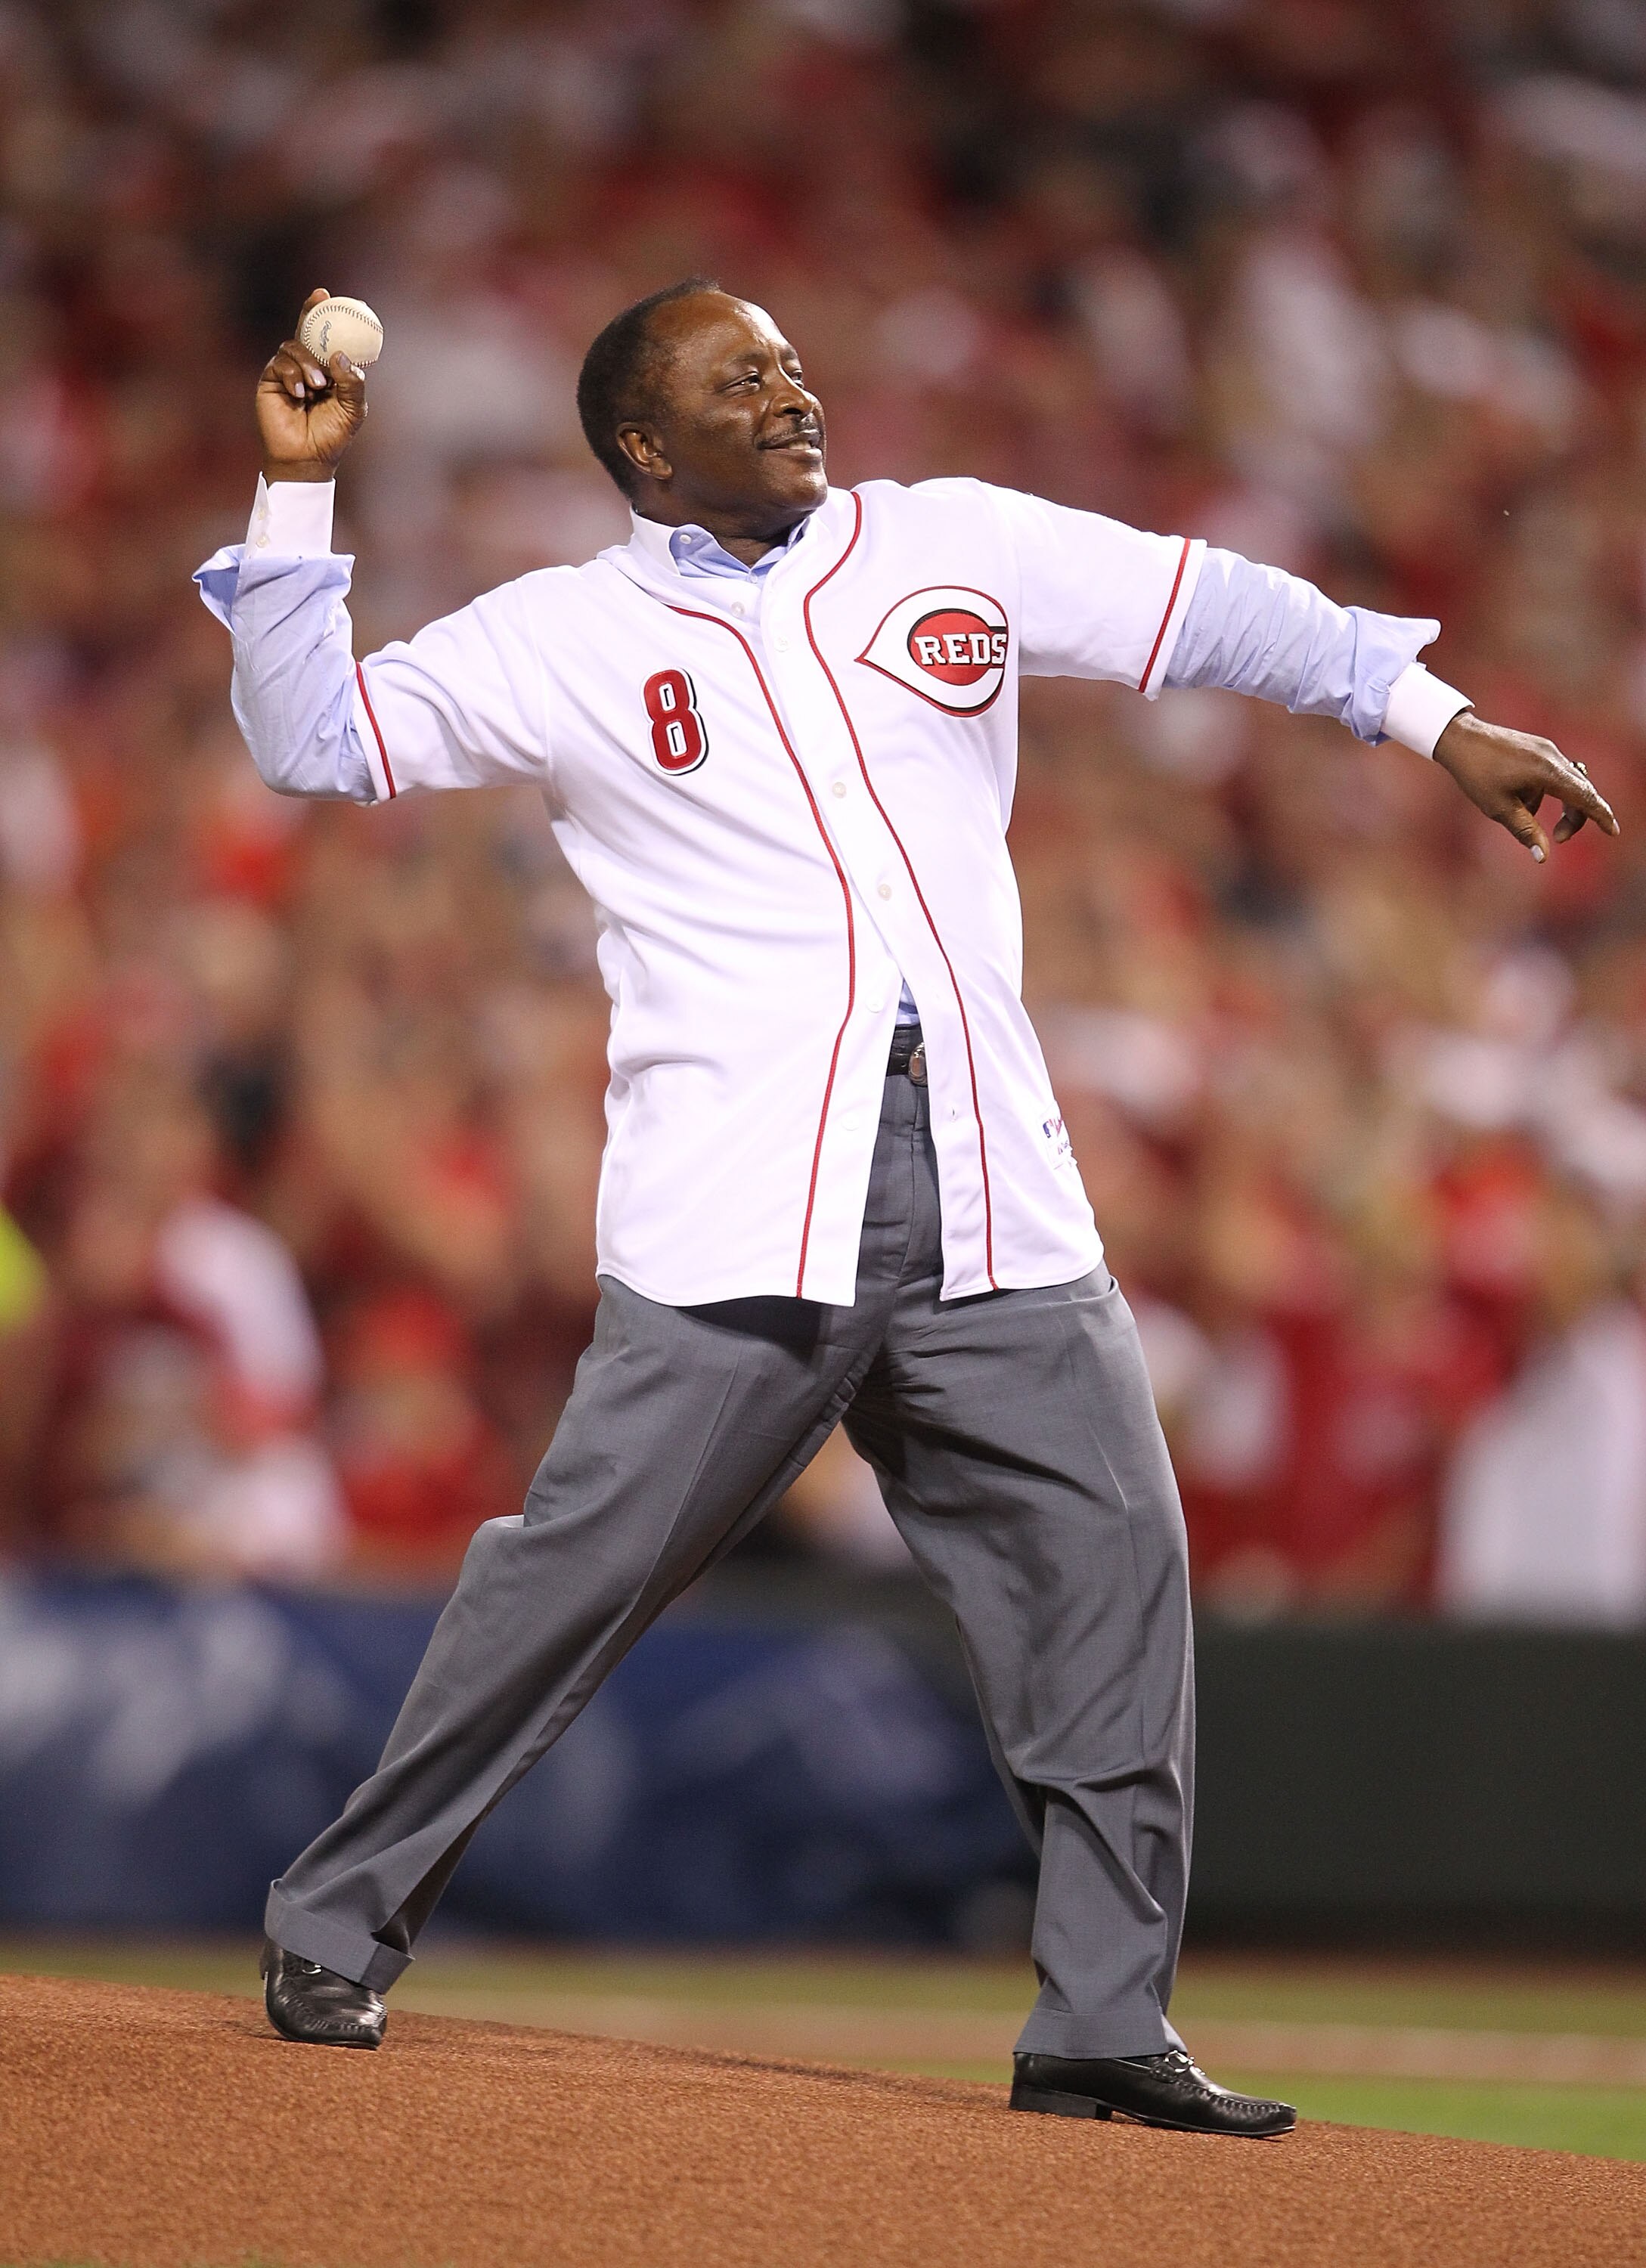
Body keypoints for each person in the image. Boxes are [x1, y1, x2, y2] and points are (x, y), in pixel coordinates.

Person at [195, 278, 1616, 2134]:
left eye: (791, 361)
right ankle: (335, 1918)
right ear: (647, 448)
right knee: (571, 1580)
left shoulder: (951, 544)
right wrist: (296, 492)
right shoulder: (564, 633)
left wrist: (1436, 719)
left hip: (994, 1188)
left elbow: (1215, 607)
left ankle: (1101, 2017)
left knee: (1115, 1576)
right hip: (739, 1208)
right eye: (739, 379)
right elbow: (314, 737)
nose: (792, 392)